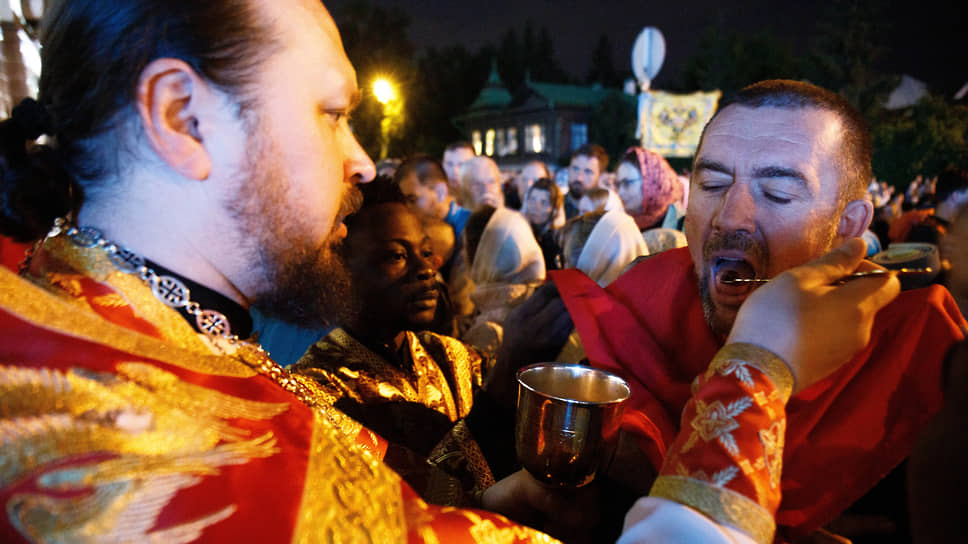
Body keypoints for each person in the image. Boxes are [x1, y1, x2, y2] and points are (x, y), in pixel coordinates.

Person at [0, 1, 579, 541]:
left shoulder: (119, 318)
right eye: (332, 115)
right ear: (183, 119)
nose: (361, 162)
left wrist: (492, 502)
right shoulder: (155, 451)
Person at [551, 79, 967, 540]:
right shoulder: (637, 307)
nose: (729, 217)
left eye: (778, 195)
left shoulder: (926, 368)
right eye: (711, 184)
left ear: (848, 228)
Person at [290, 178, 497, 500]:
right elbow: (420, 492)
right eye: (397, 256)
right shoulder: (317, 388)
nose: (425, 269)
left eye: (426, 252)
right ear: (341, 270)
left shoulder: (451, 355)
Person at [461, 206, 546, 355]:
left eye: (465, 246)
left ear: (482, 257)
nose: (462, 254)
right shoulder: (537, 302)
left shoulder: (487, 333)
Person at [394, 154, 470, 238]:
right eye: (402, 201)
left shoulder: (472, 228)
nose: (406, 208)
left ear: (440, 192)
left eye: (412, 200)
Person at [614, 146, 684, 232]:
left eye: (627, 183)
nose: (620, 192)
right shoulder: (621, 225)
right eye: (617, 184)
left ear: (651, 182)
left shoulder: (682, 226)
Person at [521, 177, 565, 270]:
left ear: (555, 209)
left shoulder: (558, 242)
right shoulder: (518, 232)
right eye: (532, 200)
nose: (536, 207)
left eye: (544, 202)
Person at [565, 143, 610, 218]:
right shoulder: (553, 207)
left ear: (601, 176)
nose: (579, 178)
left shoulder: (607, 215)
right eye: (575, 169)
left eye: (588, 171)